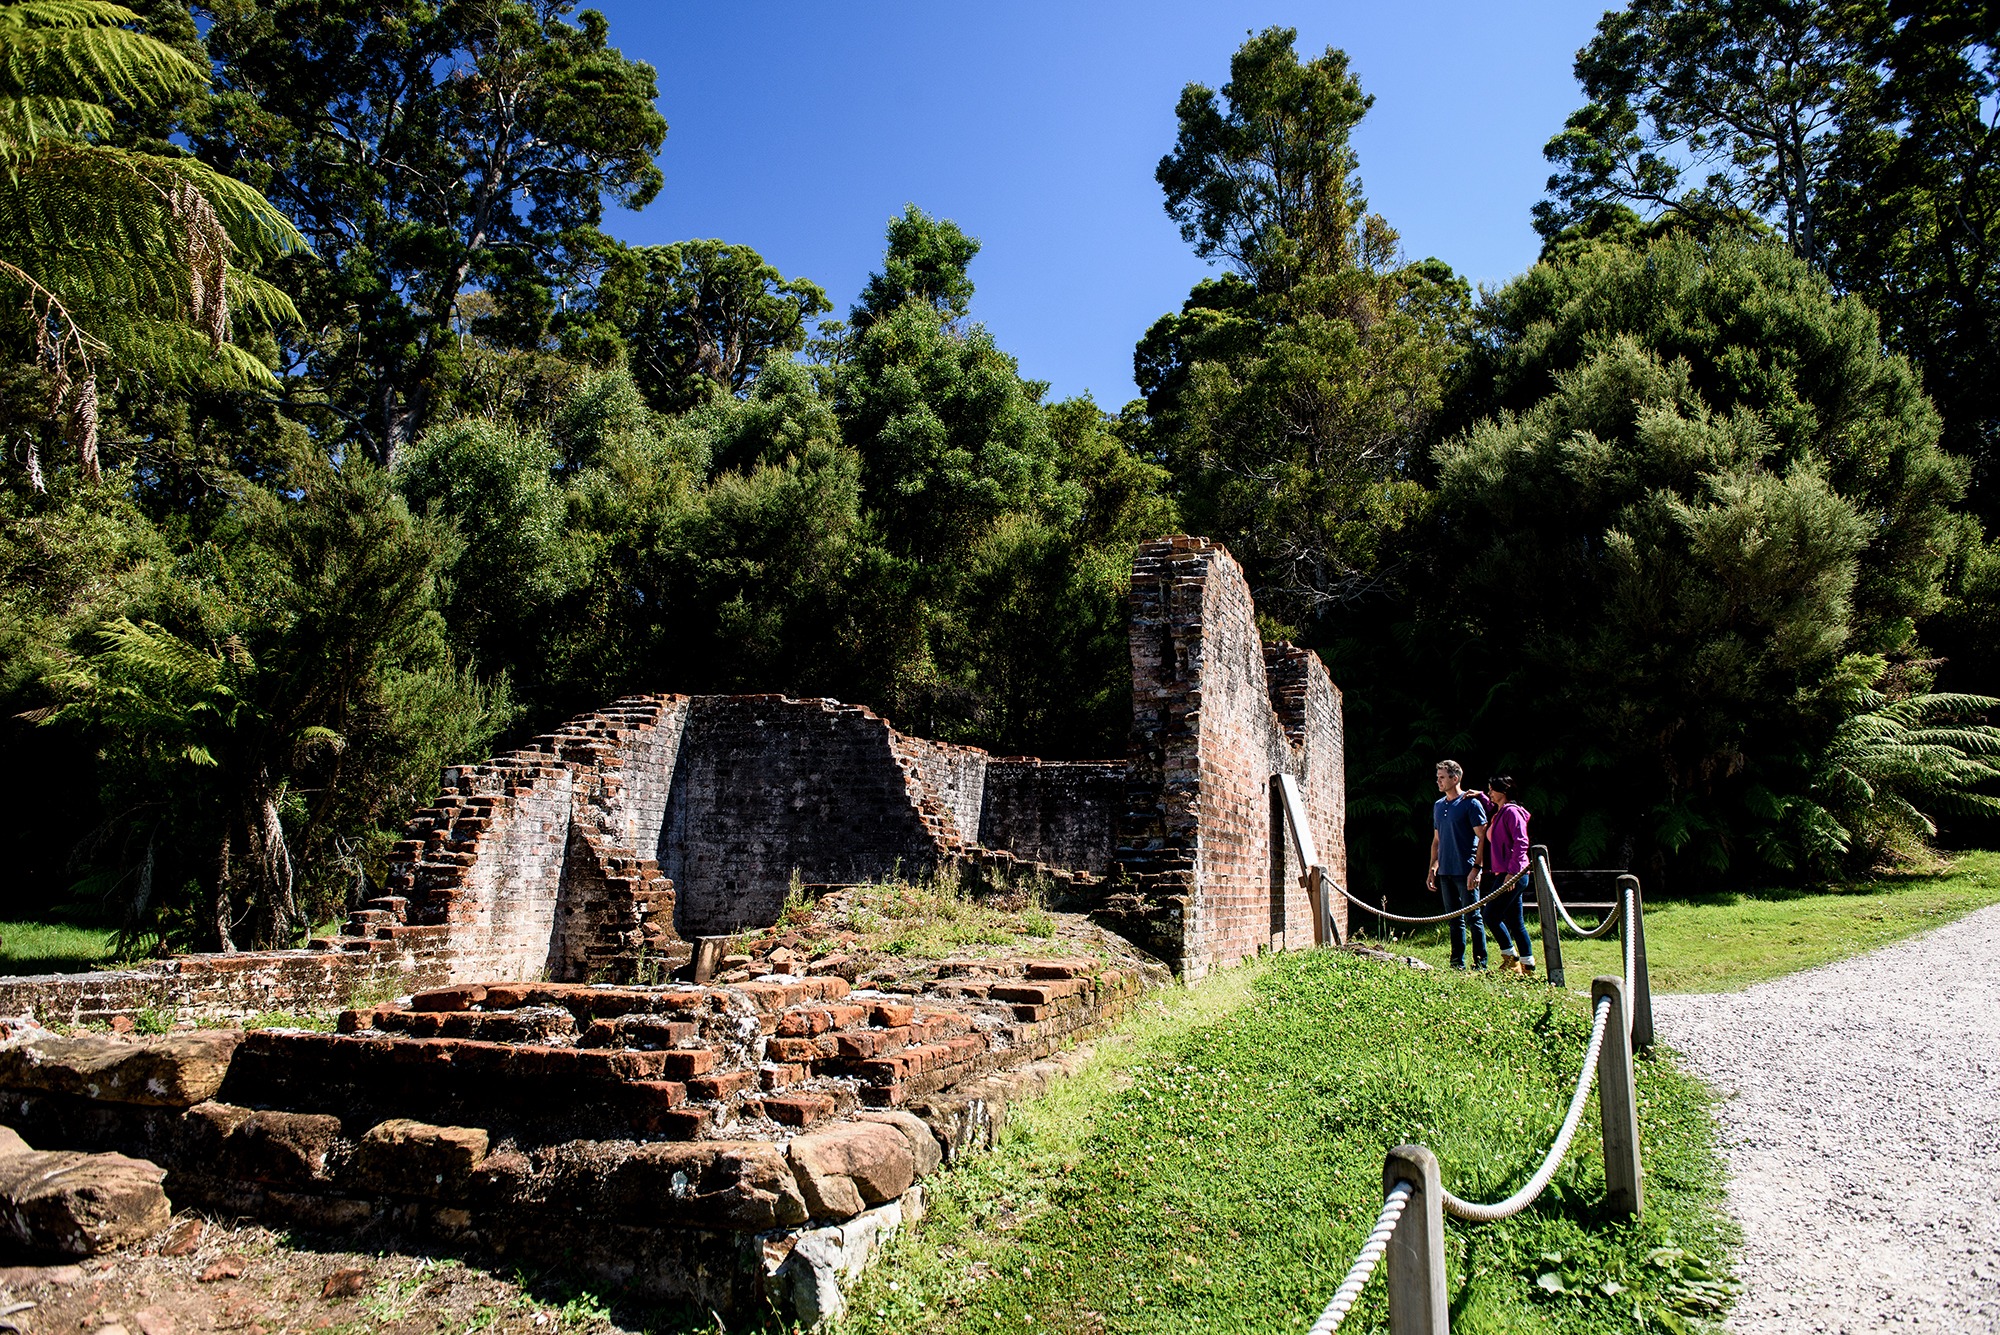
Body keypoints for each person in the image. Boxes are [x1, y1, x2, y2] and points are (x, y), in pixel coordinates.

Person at [1426, 760, 1489, 970]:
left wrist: (1477, 868)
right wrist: (1432, 867)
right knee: (1454, 919)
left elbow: (1483, 837)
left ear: (1455, 778)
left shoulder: (1471, 803)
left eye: (1442, 777)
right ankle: (1456, 964)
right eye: (1437, 777)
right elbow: (1437, 840)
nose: (1438, 781)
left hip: (1466, 869)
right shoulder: (1438, 805)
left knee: (1473, 917)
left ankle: (1481, 963)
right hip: (1445, 870)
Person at [1483, 775, 1535, 974]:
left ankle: (1510, 958)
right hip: (1506, 872)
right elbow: (1487, 802)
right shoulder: (1499, 812)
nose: (1489, 794)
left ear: (1502, 792)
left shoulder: (1511, 812)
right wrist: (1479, 795)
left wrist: (1512, 873)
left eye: (1491, 790)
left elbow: (1521, 842)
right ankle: (1527, 964)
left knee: (1491, 915)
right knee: (1516, 921)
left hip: (1512, 873)